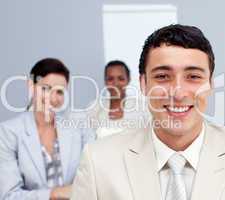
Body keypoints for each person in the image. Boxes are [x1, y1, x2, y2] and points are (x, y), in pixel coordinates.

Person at [71, 24, 225, 200]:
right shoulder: (97, 161)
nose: (178, 92)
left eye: (193, 76)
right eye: (162, 76)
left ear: (211, 84)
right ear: (143, 84)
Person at [0, 58, 95, 200]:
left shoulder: (78, 129)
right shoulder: (8, 132)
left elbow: (93, 179)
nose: (53, 98)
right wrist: (55, 194)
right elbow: (9, 196)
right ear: (31, 86)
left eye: (60, 92)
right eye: (46, 88)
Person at [88, 60, 149, 138]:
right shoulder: (94, 108)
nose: (115, 83)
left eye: (121, 78)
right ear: (105, 81)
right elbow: (89, 138)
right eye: (110, 79)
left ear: (128, 79)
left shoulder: (142, 108)